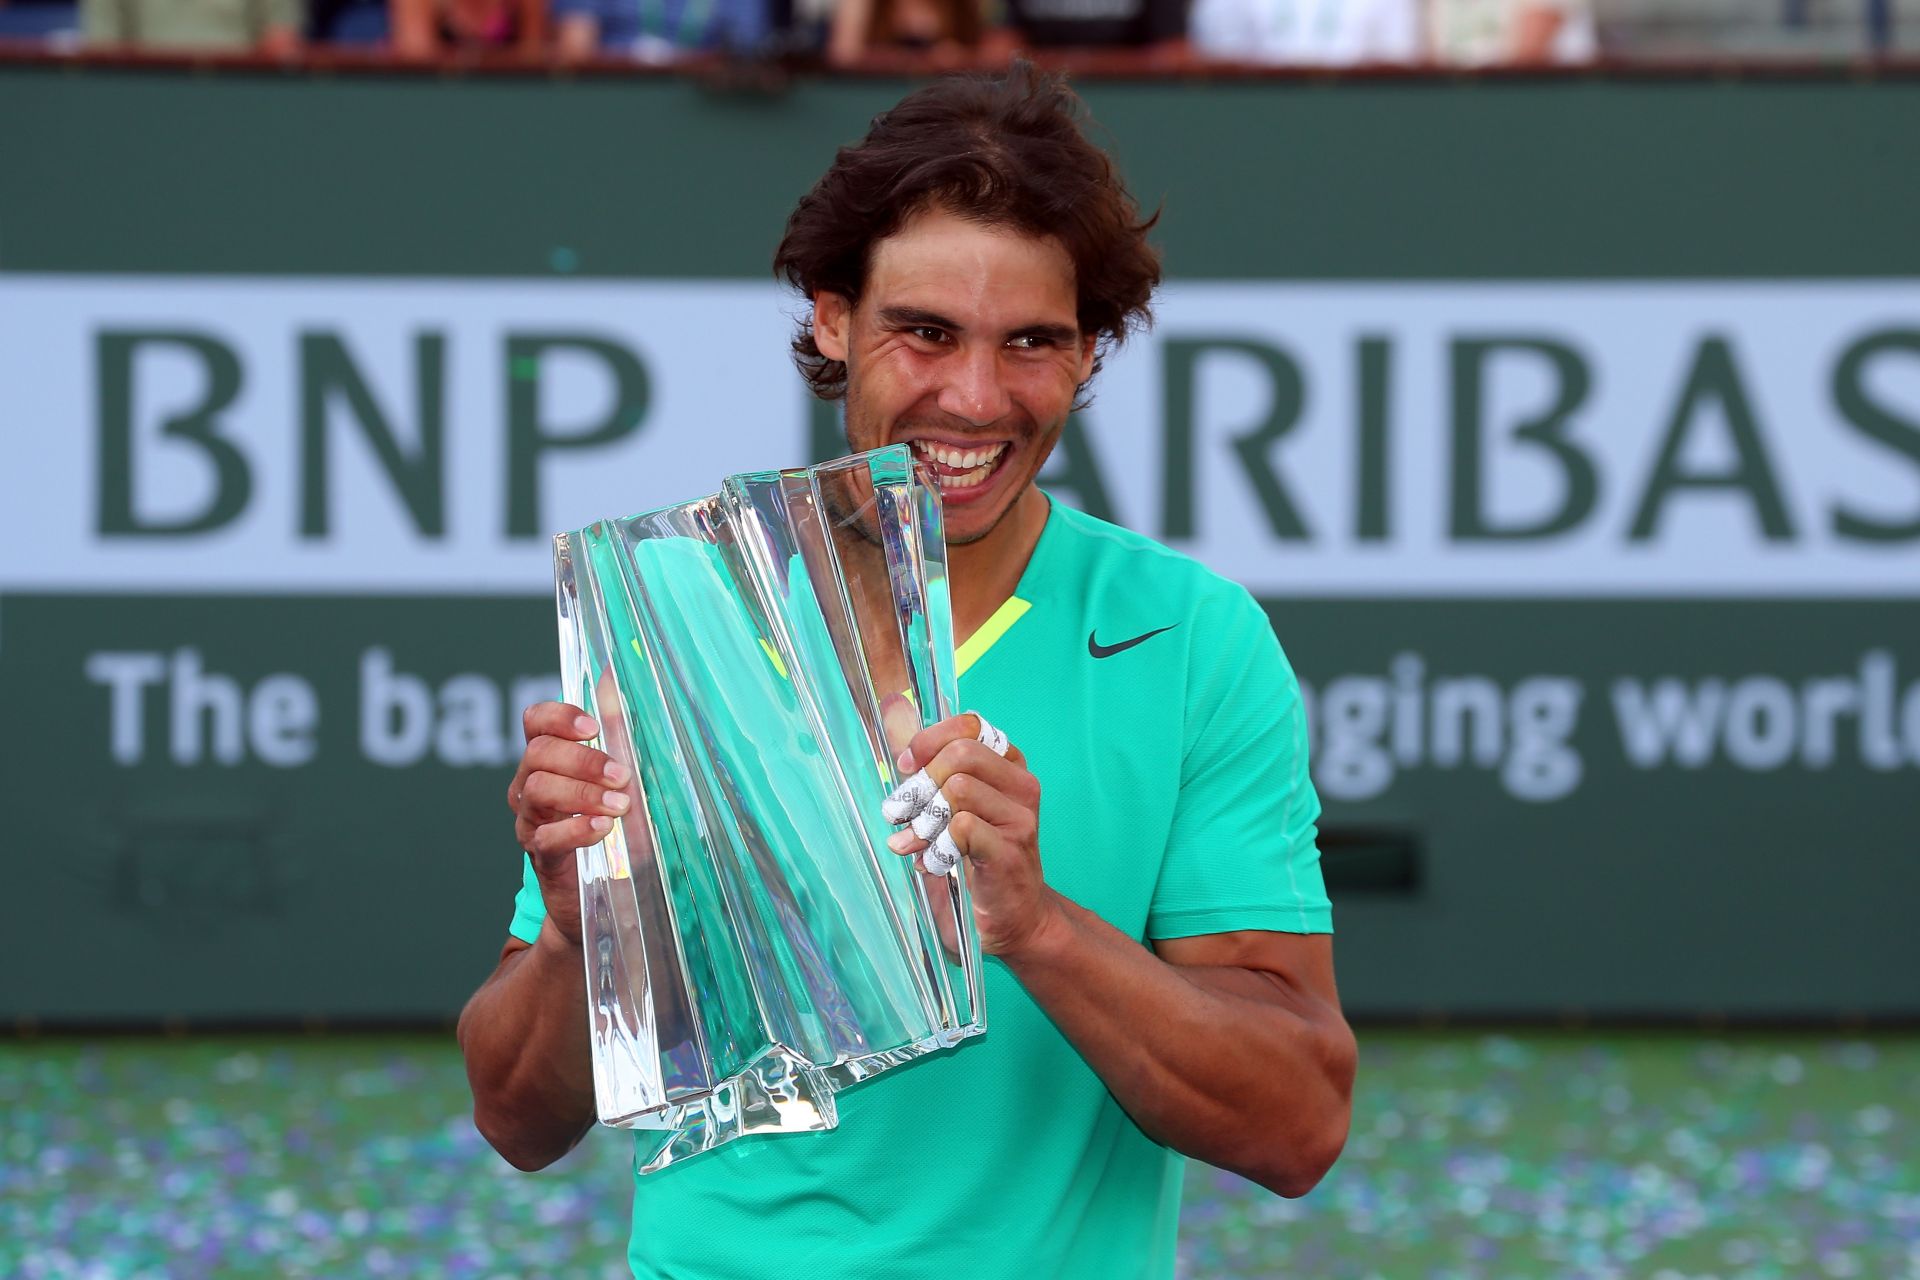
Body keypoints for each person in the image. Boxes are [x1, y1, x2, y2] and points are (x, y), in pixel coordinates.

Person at [459, 62, 1356, 1280]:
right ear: (833, 317)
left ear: (1089, 351)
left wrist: (1036, 924)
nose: (975, 398)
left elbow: (1298, 1121)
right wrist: (576, 933)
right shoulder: (679, 617)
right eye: (925, 332)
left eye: (1032, 341)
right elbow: (518, 1114)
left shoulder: (1191, 636)